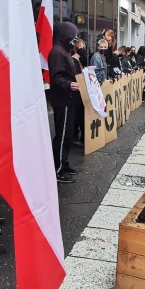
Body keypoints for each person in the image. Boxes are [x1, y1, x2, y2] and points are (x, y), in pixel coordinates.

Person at [48, 22, 81, 183]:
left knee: (67, 135)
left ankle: (64, 163)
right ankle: (58, 169)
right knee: (62, 136)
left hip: (69, 98)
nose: (74, 41)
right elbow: (56, 78)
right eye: (73, 37)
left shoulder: (63, 51)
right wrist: (69, 85)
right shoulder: (57, 52)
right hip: (63, 99)